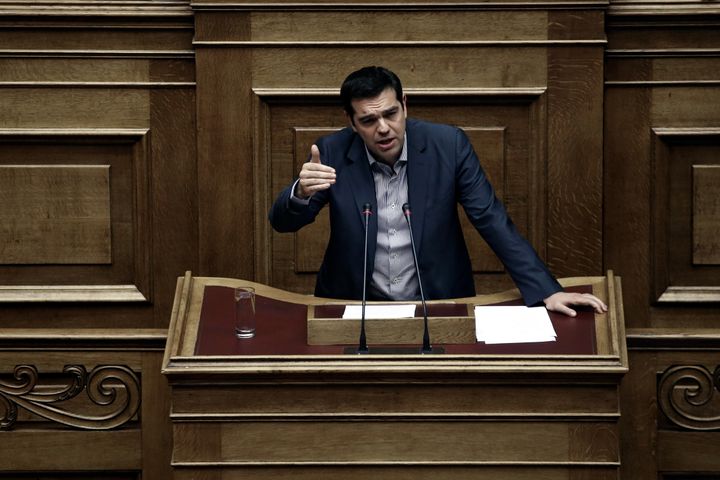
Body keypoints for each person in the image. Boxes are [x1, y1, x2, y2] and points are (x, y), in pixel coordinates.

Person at [269, 66, 606, 317]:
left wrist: (546, 290)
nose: (383, 128)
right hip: (354, 305)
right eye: (369, 121)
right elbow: (283, 223)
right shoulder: (331, 152)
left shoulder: (449, 146)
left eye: (390, 113)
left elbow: (490, 218)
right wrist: (300, 192)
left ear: (405, 104)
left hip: (438, 301)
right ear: (352, 123)